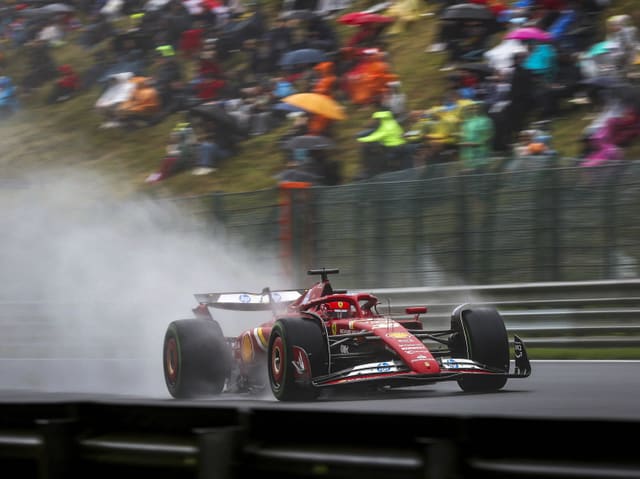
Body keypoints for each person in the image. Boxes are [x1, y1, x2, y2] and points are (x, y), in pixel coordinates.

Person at [356, 106, 407, 178]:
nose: (377, 120)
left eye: (378, 119)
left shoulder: (385, 127)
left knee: (373, 152)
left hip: (394, 148)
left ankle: (373, 171)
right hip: (401, 145)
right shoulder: (392, 122)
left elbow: (376, 136)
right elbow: (401, 133)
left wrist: (361, 140)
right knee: (377, 147)